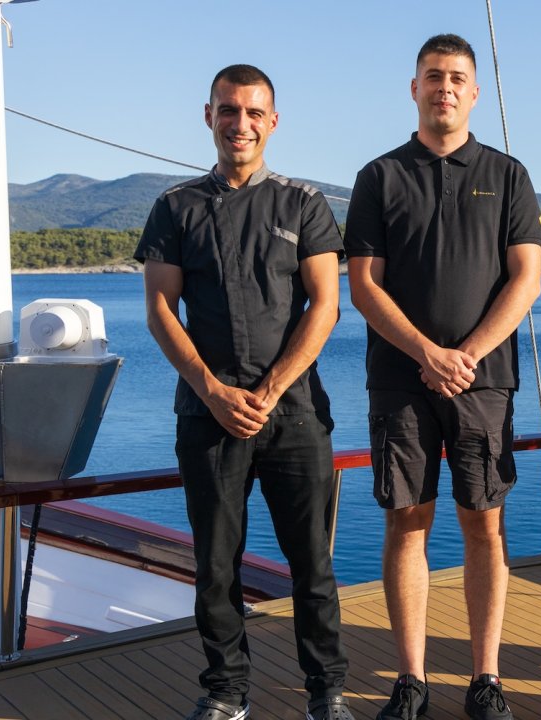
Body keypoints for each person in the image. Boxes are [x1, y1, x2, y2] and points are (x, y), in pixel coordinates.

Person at [137, 64, 352, 720]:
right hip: (208, 416)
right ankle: (227, 693)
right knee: (217, 567)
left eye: (254, 113)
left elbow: (325, 306)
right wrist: (211, 391)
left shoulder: (304, 204)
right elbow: (159, 310)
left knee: (312, 566)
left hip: (294, 415)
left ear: (272, 122)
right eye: (229, 111)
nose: (241, 124)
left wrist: (270, 389)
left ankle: (326, 694)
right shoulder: (176, 207)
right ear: (209, 116)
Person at [344, 33, 541, 720]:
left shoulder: (509, 175)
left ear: (474, 92)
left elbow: (526, 277)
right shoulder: (378, 177)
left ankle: (485, 678)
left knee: (484, 524)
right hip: (401, 382)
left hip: (484, 383)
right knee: (408, 521)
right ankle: (411, 680)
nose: (445, 88)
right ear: (415, 88)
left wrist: (466, 355)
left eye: (457, 77)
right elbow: (364, 287)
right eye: (433, 76)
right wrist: (427, 352)